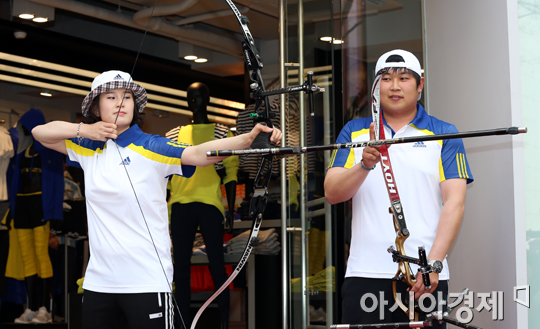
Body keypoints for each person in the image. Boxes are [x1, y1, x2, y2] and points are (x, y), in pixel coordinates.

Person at [31, 70, 281, 329]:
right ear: (95, 107)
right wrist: (86, 129)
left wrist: (249, 138)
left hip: (147, 282)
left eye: (127, 96)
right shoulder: (86, 147)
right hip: (99, 283)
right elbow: (40, 132)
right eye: (111, 96)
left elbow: (197, 153)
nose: (120, 102)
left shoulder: (152, 146)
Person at [324, 50, 473, 327]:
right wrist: (364, 164)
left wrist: (434, 264)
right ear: (375, 87)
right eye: (386, 78)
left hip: (424, 276)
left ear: (420, 85)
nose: (394, 86)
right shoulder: (354, 131)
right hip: (363, 273)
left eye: (404, 78)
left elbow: (455, 203)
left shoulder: (444, 133)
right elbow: (332, 193)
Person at [166, 82, 238, 329]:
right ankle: (182, 323)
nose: (193, 101)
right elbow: (165, 175)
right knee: (180, 269)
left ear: (206, 99)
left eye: (197, 97)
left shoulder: (221, 133)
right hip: (180, 205)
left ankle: (224, 322)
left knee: (217, 266)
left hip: (210, 204)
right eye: (190, 97)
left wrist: (228, 210)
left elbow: (230, 172)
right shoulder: (174, 135)